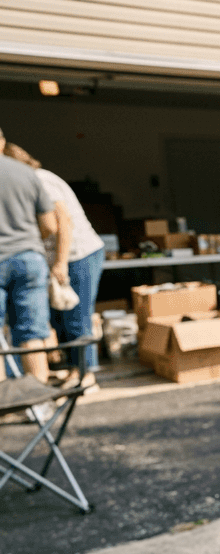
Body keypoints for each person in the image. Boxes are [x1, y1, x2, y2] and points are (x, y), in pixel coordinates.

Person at [4, 142, 103, 381]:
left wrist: (60, 263)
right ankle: (71, 371)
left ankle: (85, 375)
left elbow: (63, 223)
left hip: (77, 254)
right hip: (52, 258)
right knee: (59, 318)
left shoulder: (41, 180)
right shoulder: (29, 181)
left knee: (76, 316)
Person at [0, 126, 56, 382]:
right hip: (29, 258)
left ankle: (4, 405)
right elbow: (50, 226)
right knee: (32, 332)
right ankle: (39, 399)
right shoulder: (27, 173)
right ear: (2, 142)